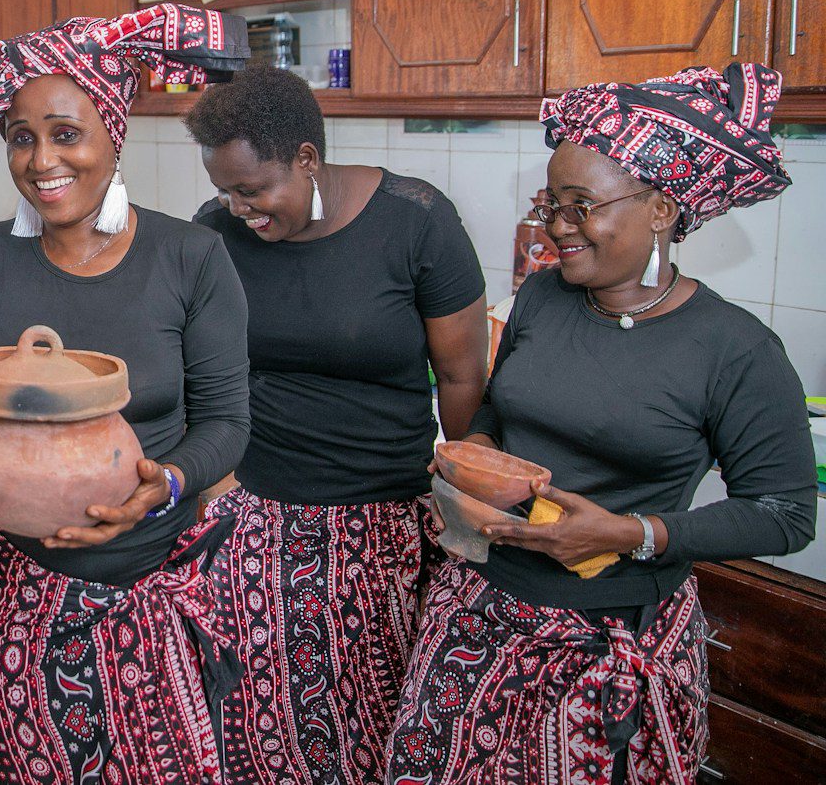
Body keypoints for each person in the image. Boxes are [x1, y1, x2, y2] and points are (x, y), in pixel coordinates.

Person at [385, 63, 817, 785]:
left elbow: (784, 514)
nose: (558, 226)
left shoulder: (734, 349)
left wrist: (626, 532)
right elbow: (498, 405)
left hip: (607, 638)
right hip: (478, 612)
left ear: (661, 208)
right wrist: (479, 453)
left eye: (582, 205)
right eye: (553, 202)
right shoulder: (545, 298)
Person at [0, 3, 253, 783]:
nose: (40, 159)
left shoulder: (191, 257)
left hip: (162, 591)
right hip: (15, 602)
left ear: (112, 133)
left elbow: (228, 423)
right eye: (21, 137)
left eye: (66, 133)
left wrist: (164, 485)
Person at [183, 64, 489, 785]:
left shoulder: (416, 221)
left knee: (375, 730)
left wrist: (467, 506)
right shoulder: (216, 231)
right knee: (256, 730)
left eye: (253, 190)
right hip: (255, 525)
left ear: (308, 158)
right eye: (226, 190)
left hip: (381, 530)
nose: (239, 208)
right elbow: (203, 371)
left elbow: (463, 377)